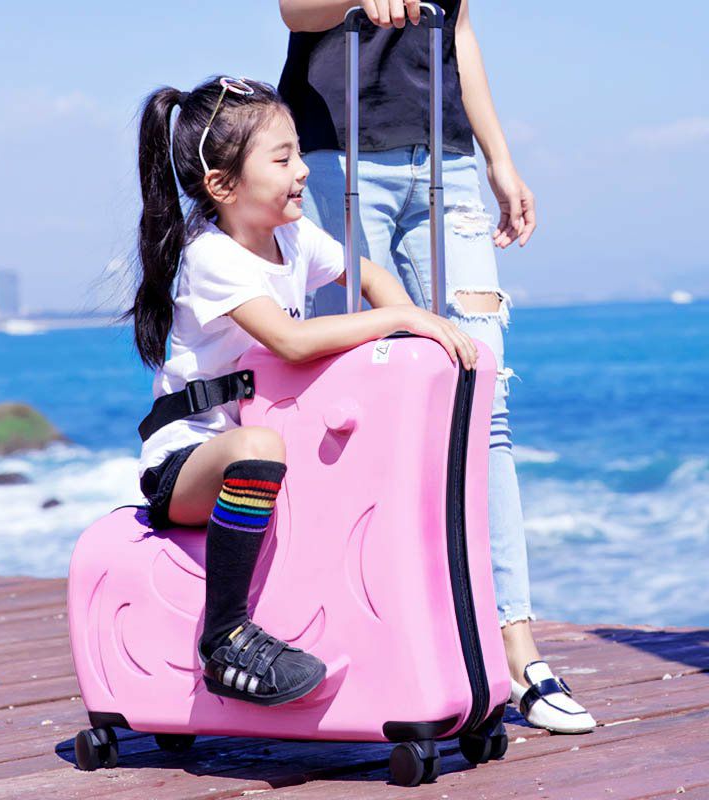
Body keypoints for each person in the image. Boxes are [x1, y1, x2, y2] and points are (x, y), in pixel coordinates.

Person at [277, 0, 596, 731]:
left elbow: (460, 29)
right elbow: (294, 13)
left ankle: (515, 650)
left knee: (483, 403)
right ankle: (357, 631)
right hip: (336, 161)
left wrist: (499, 159)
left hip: (447, 166)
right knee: (347, 407)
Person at [128, 76, 478, 707]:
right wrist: (401, 319)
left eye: (297, 154)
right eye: (282, 159)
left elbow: (367, 275)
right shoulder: (212, 258)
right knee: (257, 444)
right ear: (223, 186)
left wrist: (409, 343)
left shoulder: (292, 238)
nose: (301, 171)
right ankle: (224, 637)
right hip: (185, 466)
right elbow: (289, 342)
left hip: (252, 458)